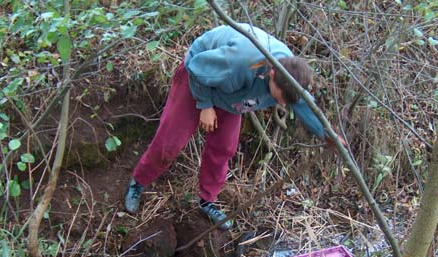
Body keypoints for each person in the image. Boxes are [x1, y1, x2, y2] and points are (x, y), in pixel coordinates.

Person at [124, 23, 326, 230]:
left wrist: (328, 136)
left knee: (224, 148)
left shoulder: (292, 78)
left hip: (232, 98)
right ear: (272, 74)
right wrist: (205, 105)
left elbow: (304, 106)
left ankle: (206, 201)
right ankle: (138, 182)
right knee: (170, 142)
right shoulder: (240, 62)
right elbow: (197, 65)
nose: (282, 104)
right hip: (199, 80)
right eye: (281, 98)